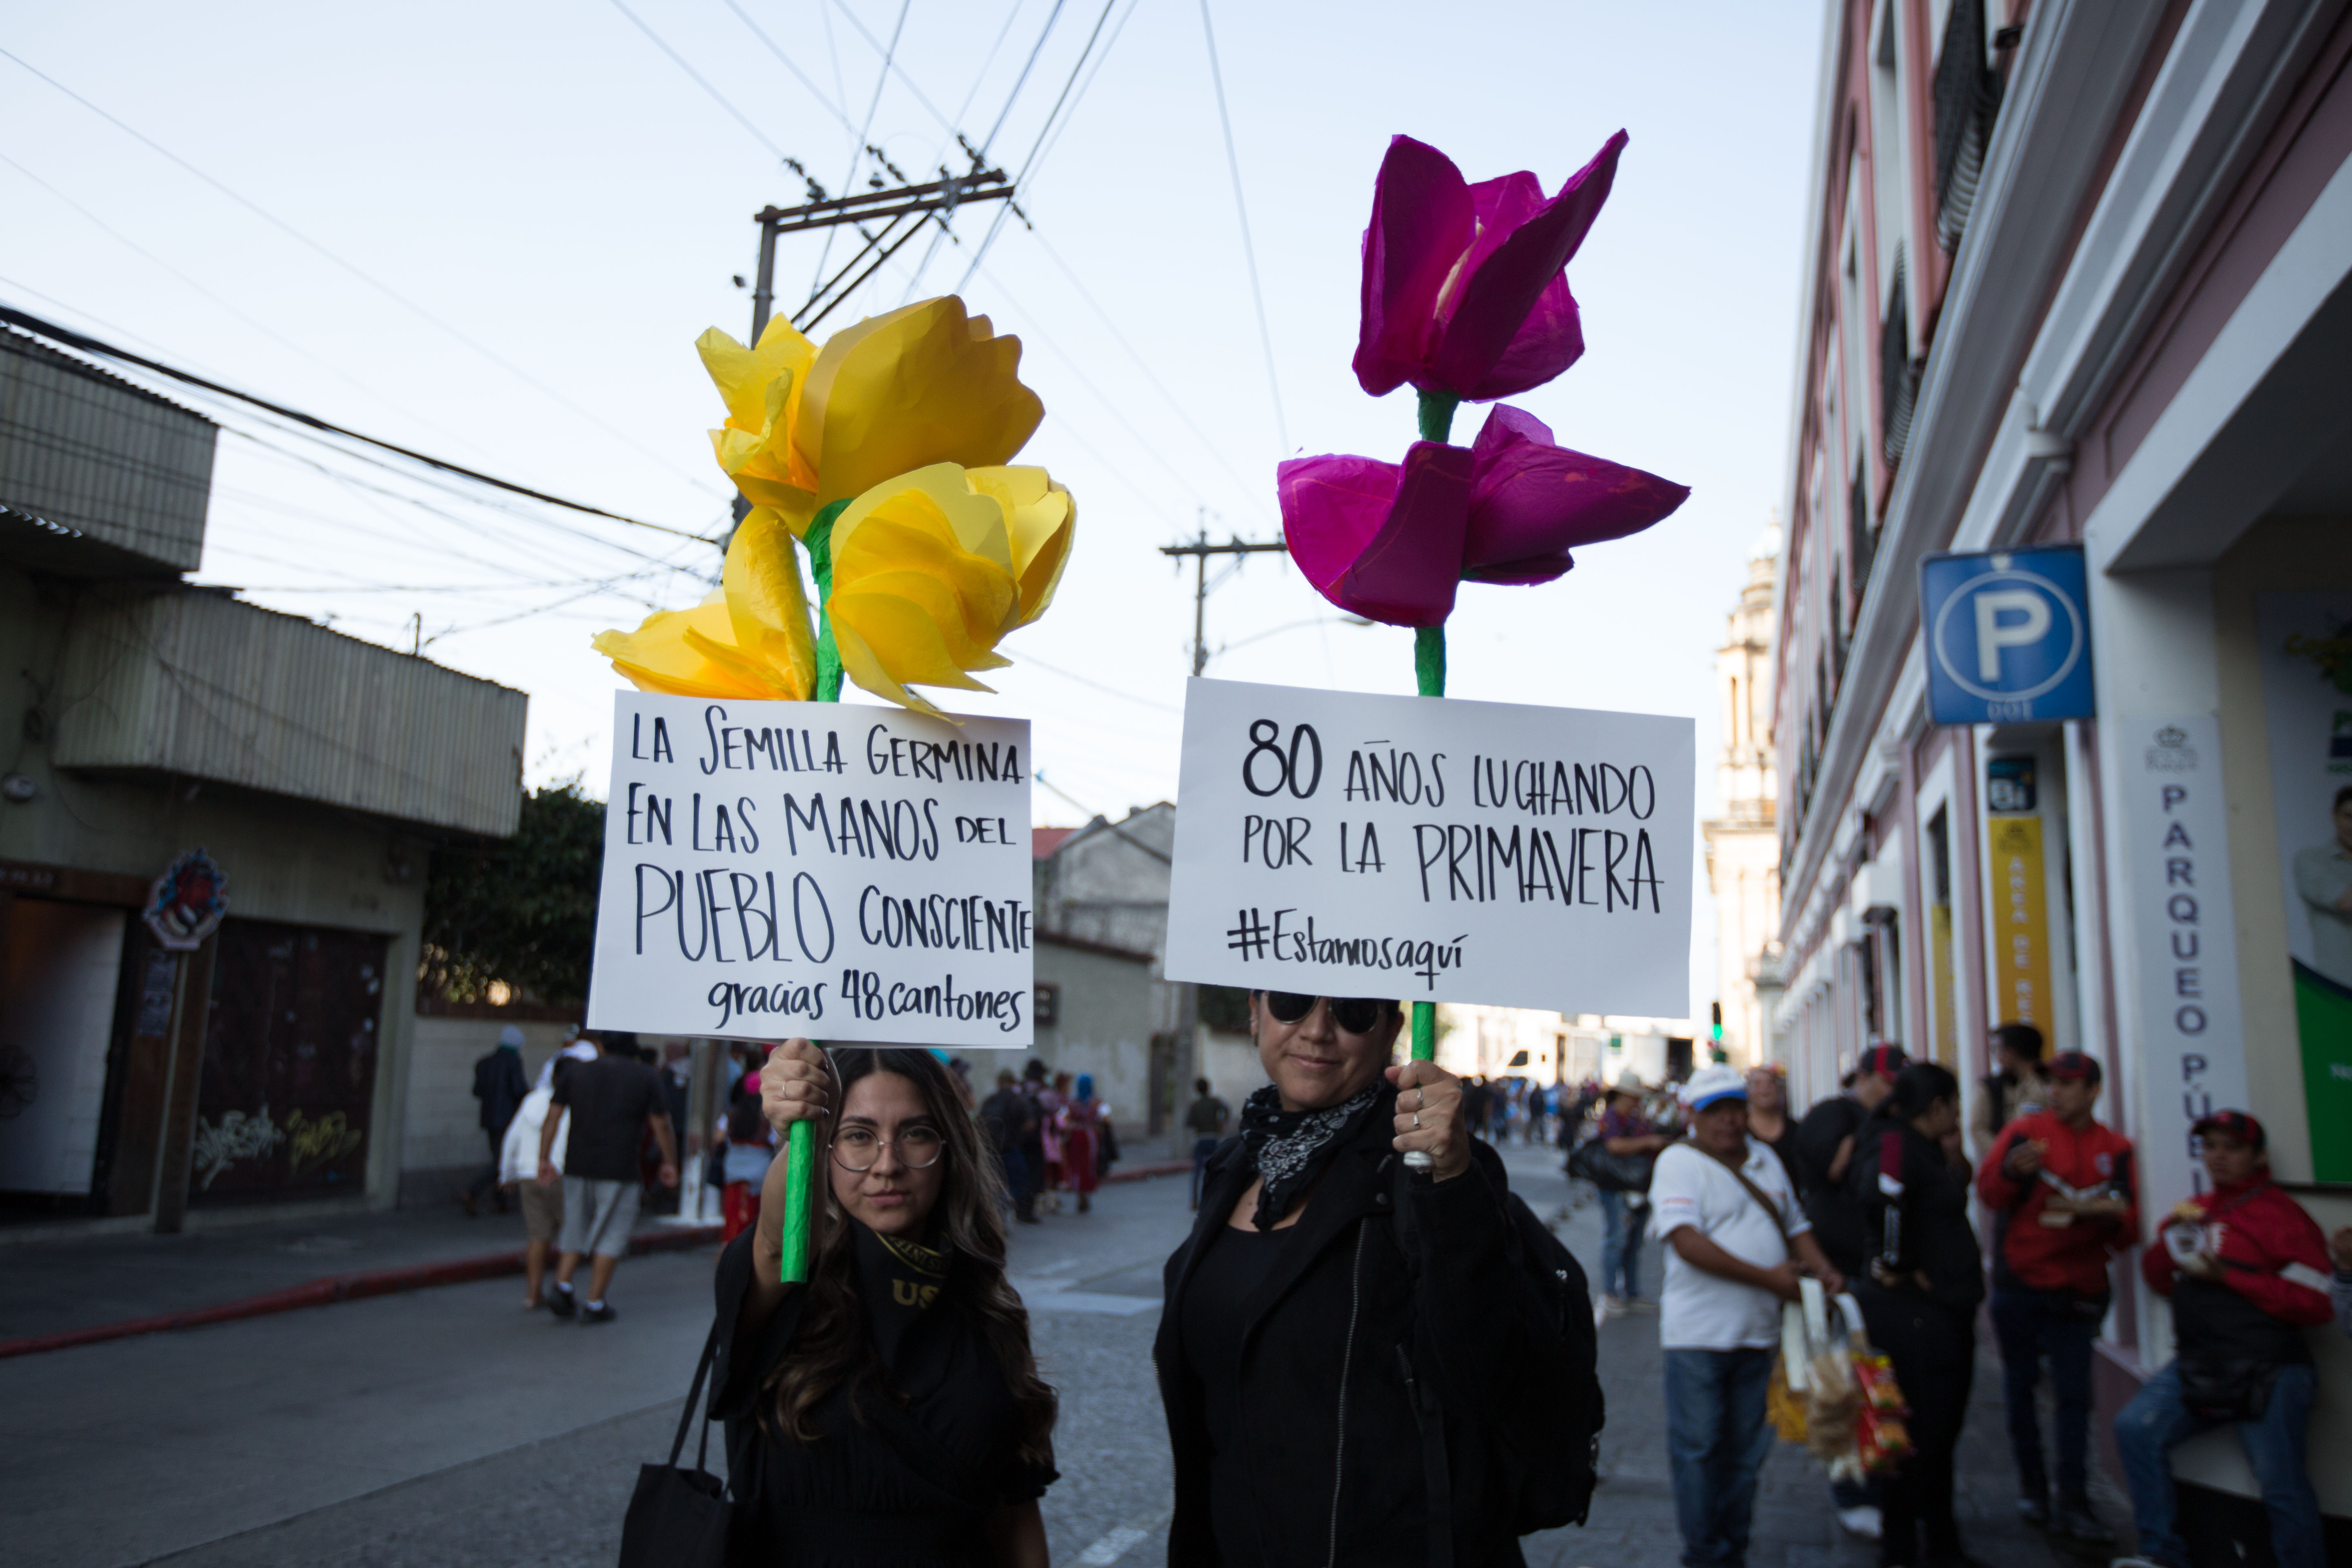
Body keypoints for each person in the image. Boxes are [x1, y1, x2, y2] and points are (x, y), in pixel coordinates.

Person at [1156, 989, 1588, 1566]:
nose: (1316, 1031)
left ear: (1392, 1031)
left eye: (1353, 1012)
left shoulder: (1433, 1168)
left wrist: (1452, 1184)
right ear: (1255, 1012)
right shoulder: (1236, 1164)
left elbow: (1484, 1376)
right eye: (1291, 1003)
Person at [710, 1040, 1056, 1565]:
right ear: (825, 1150)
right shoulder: (785, 1287)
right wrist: (797, 1129)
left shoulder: (987, 1311)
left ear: (948, 1147)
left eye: (915, 1134)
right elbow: (777, 1240)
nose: (887, 1164)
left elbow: (1014, 1514)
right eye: (857, 1136)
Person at [2111, 1111, 2333, 1568]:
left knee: (2281, 1484)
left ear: (2259, 1156)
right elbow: (2159, 1278)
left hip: (2270, 1369)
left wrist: (2228, 1276)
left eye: (2231, 1147)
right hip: (2203, 1361)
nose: (2218, 1156)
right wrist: (2168, 1242)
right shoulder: (2197, 1209)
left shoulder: (2283, 1216)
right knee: (2135, 1427)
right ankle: (2162, 1554)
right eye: (2210, 1146)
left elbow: (2318, 1303)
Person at [1648, 1063, 1844, 1568]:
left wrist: (1824, 1271)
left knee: (1745, 1456)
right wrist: (1770, 1280)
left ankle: (1732, 1549)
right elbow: (1687, 1242)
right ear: (1693, 1115)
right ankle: (1703, 1552)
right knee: (1698, 1451)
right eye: (1716, 1112)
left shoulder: (1765, 1160)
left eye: (1735, 1108)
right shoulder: (1678, 1162)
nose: (1729, 1121)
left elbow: (1796, 1224)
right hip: (1698, 1338)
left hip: (1758, 1335)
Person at [1974, 1050, 2135, 1545]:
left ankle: (2073, 1496)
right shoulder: (2024, 1134)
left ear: (2093, 1091)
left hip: (2079, 1288)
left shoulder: (2116, 1147)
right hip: (2021, 1283)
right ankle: (2033, 1488)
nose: (2056, 1093)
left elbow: (2129, 1225)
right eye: (2052, 1084)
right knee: (2020, 1391)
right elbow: (1989, 1194)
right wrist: (2014, 1175)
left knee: (2072, 1398)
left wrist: (2106, 1219)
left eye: (2067, 1084)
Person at [1851, 1063, 1982, 1568]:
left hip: (1942, 1309)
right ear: (1940, 1106)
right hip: (1916, 1319)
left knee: (1938, 1436)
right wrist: (1898, 1265)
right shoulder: (1894, 1143)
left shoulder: (1921, 1145)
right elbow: (1882, 1200)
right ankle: (1905, 1548)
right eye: (1956, 1104)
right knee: (1918, 1437)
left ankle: (1941, 1543)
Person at [538, 1029, 678, 1323]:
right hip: (620, 1167)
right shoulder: (646, 1077)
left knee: (574, 1224)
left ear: (600, 1045)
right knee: (613, 1233)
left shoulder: (576, 1073)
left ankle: (563, 1284)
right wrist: (669, 1161)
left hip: (577, 1162)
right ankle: (595, 1301)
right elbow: (661, 1124)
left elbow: (552, 1116)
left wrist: (544, 1158)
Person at [1597, 1069, 1673, 1316]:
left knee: (1633, 1242)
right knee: (1617, 1239)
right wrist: (1647, 1143)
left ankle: (1631, 1292)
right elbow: (1614, 1146)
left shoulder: (1635, 1118)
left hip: (1637, 1187)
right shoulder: (1613, 1117)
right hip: (1617, 1186)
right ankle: (1610, 1292)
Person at [499, 1065, 568, 1309]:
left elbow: (512, 1138)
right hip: (560, 1173)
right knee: (570, 1236)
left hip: (528, 1174)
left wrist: (507, 1174)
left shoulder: (531, 1100)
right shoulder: (574, 1103)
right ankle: (561, 1289)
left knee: (538, 1236)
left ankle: (533, 1294)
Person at [2289, 784, 2352, 987]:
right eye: (2348, 817)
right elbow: (2345, 901)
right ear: (2335, 817)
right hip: (2338, 991)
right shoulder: (2312, 860)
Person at [465, 1024, 529, 1217]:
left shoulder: (484, 1063)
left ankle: (499, 1202)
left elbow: (477, 1091)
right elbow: (519, 1090)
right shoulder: (514, 1062)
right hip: (508, 1118)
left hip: (489, 1118)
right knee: (502, 1162)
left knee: (499, 1158)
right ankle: (473, 1191)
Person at [1971, 1022, 2052, 1158]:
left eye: (1998, 1050)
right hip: (2005, 1164)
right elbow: (1978, 1128)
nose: (1997, 1057)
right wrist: (2004, 1154)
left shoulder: (2049, 1084)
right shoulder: (1991, 1087)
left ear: (2012, 1052)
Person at [978, 1069, 1038, 1224]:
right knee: (1017, 1182)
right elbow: (1030, 1124)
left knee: (996, 1181)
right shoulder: (1018, 1101)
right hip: (1012, 1148)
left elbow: (980, 1123)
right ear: (1012, 1082)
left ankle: (997, 1210)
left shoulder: (990, 1100)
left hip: (992, 1149)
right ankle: (1004, 1208)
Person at [719, 1100, 774, 1244]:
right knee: (754, 1219)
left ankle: (729, 1251)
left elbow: (718, 1137)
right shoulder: (767, 1111)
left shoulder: (734, 1112)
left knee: (732, 1219)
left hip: (734, 1170)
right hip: (759, 1168)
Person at [1183, 1077, 1231, 1210]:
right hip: (1214, 1139)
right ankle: (1215, 1200)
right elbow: (1227, 1109)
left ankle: (1194, 1201)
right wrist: (1222, 1123)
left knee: (1197, 1173)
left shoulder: (1195, 1105)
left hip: (1200, 1139)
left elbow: (1188, 1123)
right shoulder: (1215, 1102)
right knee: (1216, 1171)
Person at [1742, 1065, 1797, 1178]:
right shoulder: (1739, 1130)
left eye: (1770, 1084)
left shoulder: (1794, 1128)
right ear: (1748, 1090)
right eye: (1757, 1084)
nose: (1764, 1090)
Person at [1060, 1074, 1104, 1214]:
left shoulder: (1072, 1103)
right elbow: (1105, 1118)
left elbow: (1063, 1118)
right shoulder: (1096, 1102)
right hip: (1091, 1137)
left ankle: (1080, 1194)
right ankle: (1086, 1194)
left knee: (1078, 1166)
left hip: (1076, 1137)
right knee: (1089, 1165)